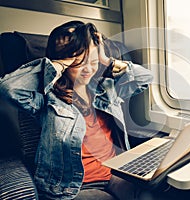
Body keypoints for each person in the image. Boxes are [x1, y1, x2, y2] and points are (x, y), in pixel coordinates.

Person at [0, 20, 153, 199]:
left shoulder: (105, 88)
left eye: (93, 61)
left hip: (115, 173)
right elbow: (8, 89)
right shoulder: (46, 98)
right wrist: (59, 63)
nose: (88, 69)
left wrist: (107, 61)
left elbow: (145, 78)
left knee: (153, 193)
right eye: (79, 62)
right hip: (76, 186)